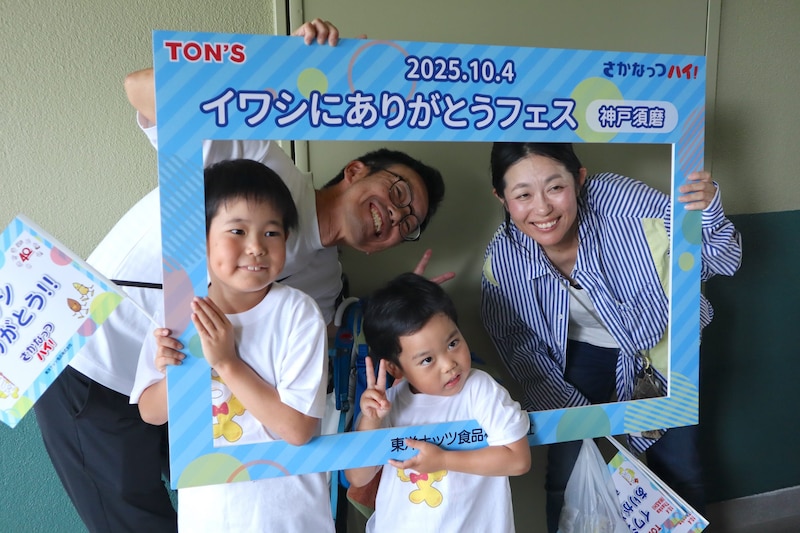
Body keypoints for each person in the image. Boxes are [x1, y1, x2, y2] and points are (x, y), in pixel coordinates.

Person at [34, 19, 449, 533]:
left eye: (408, 224)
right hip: (97, 358)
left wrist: (409, 308)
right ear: (355, 170)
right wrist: (276, 65)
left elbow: (299, 381)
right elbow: (139, 89)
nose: (396, 215)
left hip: (202, 398)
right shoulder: (254, 155)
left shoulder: (322, 284)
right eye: (399, 192)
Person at [480, 142, 742, 533]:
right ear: (501, 197)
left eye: (555, 187)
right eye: (523, 195)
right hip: (577, 354)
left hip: (661, 345)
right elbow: (521, 348)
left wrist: (709, 212)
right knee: (568, 470)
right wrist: (576, 418)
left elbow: (723, 261)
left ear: (579, 180)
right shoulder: (503, 261)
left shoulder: (624, 204)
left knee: (680, 466)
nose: (542, 209)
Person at [130, 158, 332, 531]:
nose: (256, 247)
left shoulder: (298, 313)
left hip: (290, 516)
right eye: (237, 230)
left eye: (272, 232)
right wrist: (176, 372)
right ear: (201, 238)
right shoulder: (177, 311)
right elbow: (150, 412)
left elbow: (298, 429)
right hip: (209, 516)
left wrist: (227, 363)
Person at [345, 273, 532, 533]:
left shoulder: (479, 390)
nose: (448, 365)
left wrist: (444, 460)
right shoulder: (389, 405)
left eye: (453, 343)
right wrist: (370, 421)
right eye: (427, 360)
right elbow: (358, 477)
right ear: (395, 368)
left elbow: (518, 460)